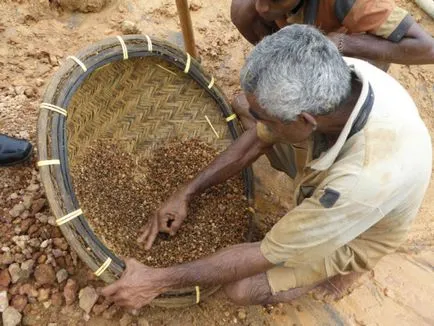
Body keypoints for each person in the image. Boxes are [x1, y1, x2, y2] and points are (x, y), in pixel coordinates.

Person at [101, 25, 432, 309]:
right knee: (249, 111)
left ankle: (345, 269)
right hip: (346, 170)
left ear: (305, 120)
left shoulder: (361, 181)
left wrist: (157, 279)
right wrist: (186, 191)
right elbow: (259, 139)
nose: (258, 123)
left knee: (241, 288)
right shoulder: (335, 76)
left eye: (267, 119)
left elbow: (266, 253)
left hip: (361, 228)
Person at [231, 0, 434, 65]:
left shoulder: (354, 3)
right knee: (243, 11)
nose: (262, 8)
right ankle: (282, 63)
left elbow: (428, 48)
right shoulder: (264, 6)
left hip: (345, 52)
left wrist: (342, 43)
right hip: (305, 33)